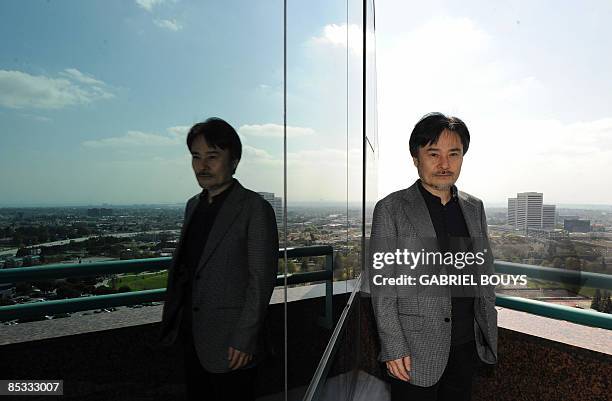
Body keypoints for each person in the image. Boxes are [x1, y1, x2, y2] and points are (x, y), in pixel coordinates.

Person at [368, 112, 497, 401]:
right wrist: (393, 346)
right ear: (416, 158)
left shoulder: (474, 207)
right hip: (414, 350)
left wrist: (487, 330)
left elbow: (483, 272)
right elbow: (382, 286)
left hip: (467, 345)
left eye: (454, 154)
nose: (444, 164)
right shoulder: (391, 209)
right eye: (433, 153)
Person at [158, 117, 279, 401]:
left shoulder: (254, 208)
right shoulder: (193, 205)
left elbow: (261, 281)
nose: (203, 165)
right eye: (196, 157)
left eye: (212, 156)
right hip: (191, 335)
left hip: (232, 342)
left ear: (234, 161)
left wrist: (245, 337)